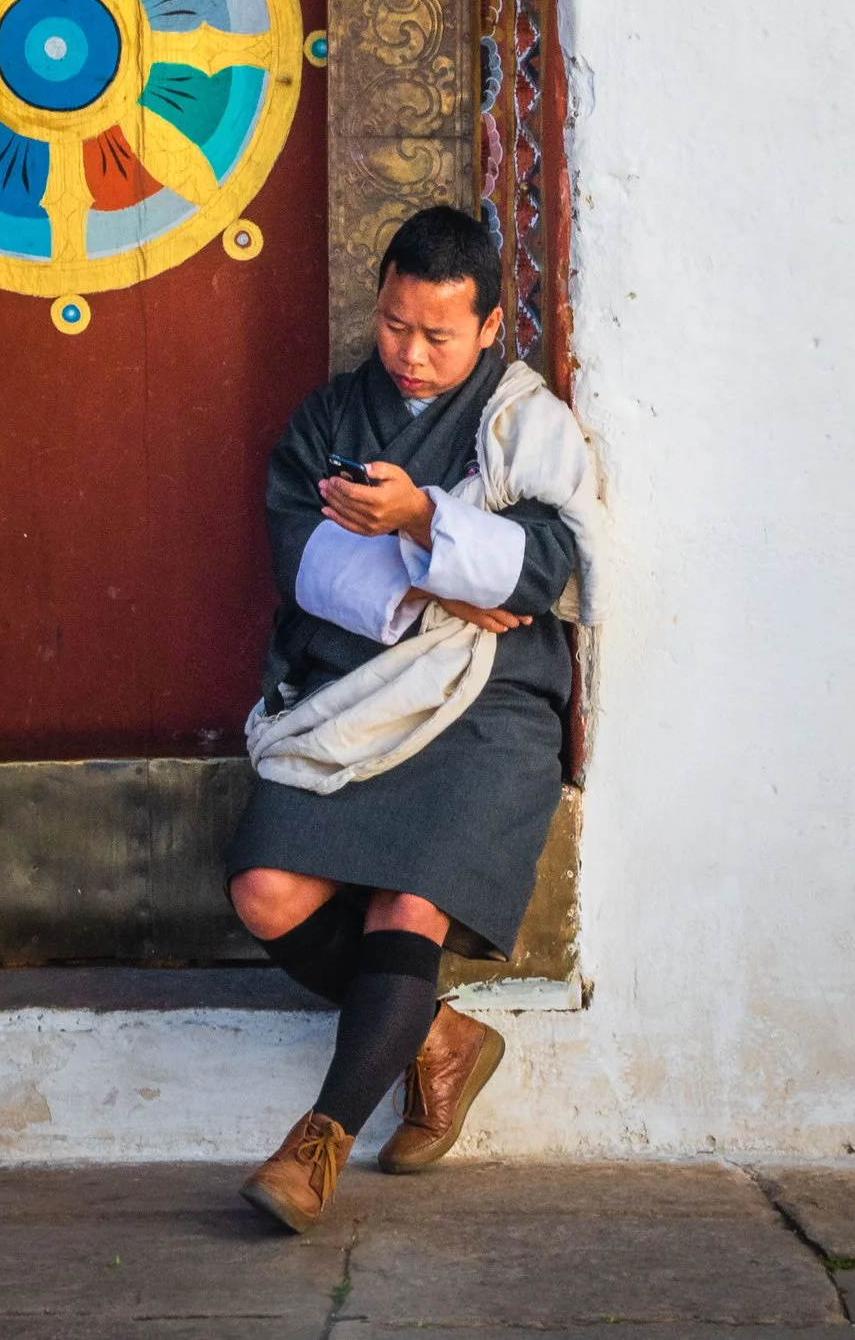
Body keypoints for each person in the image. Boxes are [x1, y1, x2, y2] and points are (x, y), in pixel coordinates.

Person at [224, 204, 600, 1233]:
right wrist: (440, 569)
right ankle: (437, 1039)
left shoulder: (527, 422)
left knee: (407, 903)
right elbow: (300, 558)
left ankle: (319, 1146)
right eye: (396, 326)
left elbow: (551, 567)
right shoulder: (327, 418)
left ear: (487, 328)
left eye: (439, 335)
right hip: (347, 691)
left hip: (487, 696)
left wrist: (426, 519)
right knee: (263, 891)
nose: (411, 355)